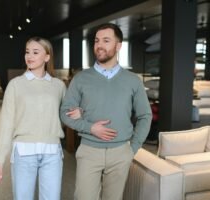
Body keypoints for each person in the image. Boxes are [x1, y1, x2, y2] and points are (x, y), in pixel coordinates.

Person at [60, 23, 152, 200]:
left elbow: (145, 116)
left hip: (121, 152)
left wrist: (132, 149)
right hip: (89, 151)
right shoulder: (81, 78)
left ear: (118, 46)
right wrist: (90, 127)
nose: (99, 45)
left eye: (106, 40)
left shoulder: (133, 80)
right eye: (96, 41)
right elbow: (64, 113)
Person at [0, 36, 80, 200]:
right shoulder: (15, 85)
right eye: (27, 52)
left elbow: (67, 114)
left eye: (35, 52)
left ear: (47, 57)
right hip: (24, 152)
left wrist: (78, 113)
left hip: (52, 153)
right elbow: (6, 123)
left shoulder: (58, 85)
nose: (29, 56)